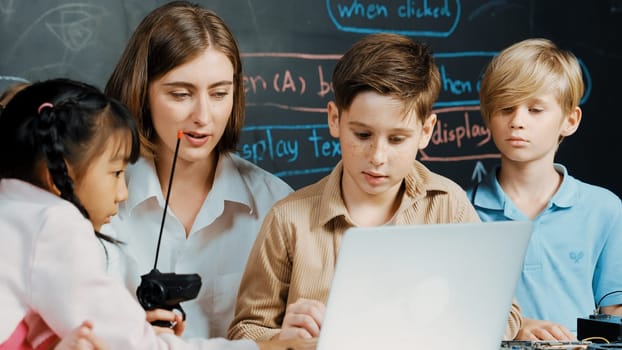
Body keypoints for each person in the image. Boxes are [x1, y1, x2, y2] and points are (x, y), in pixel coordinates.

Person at [227, 33, 523, 342]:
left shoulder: (447, 205)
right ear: (334, 119)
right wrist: (282, 339)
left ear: (426, 132)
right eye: (363, 135)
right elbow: (244, 332)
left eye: (397, 139)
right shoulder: (288, 220)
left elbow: (507, 312)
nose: (378, 157)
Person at [0, 78, 262, 349]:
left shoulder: (12, 207)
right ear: (59, 173)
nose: (122, 192)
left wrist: (132, 329)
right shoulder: (55, 223)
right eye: (115, 173)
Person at [103, 0, 293, 339]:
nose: (203, 116)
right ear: (142, 92)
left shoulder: (276, 205)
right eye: (180, 94)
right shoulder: (101, 202)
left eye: (220, 94)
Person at [467, 38, 622, 340]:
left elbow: (614, 316)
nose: (517, 122)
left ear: (570, 120)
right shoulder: (460, 209)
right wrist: (516, 327)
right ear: (488, 116)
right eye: (506, 108)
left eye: (535, 109)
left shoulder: (604, 210)